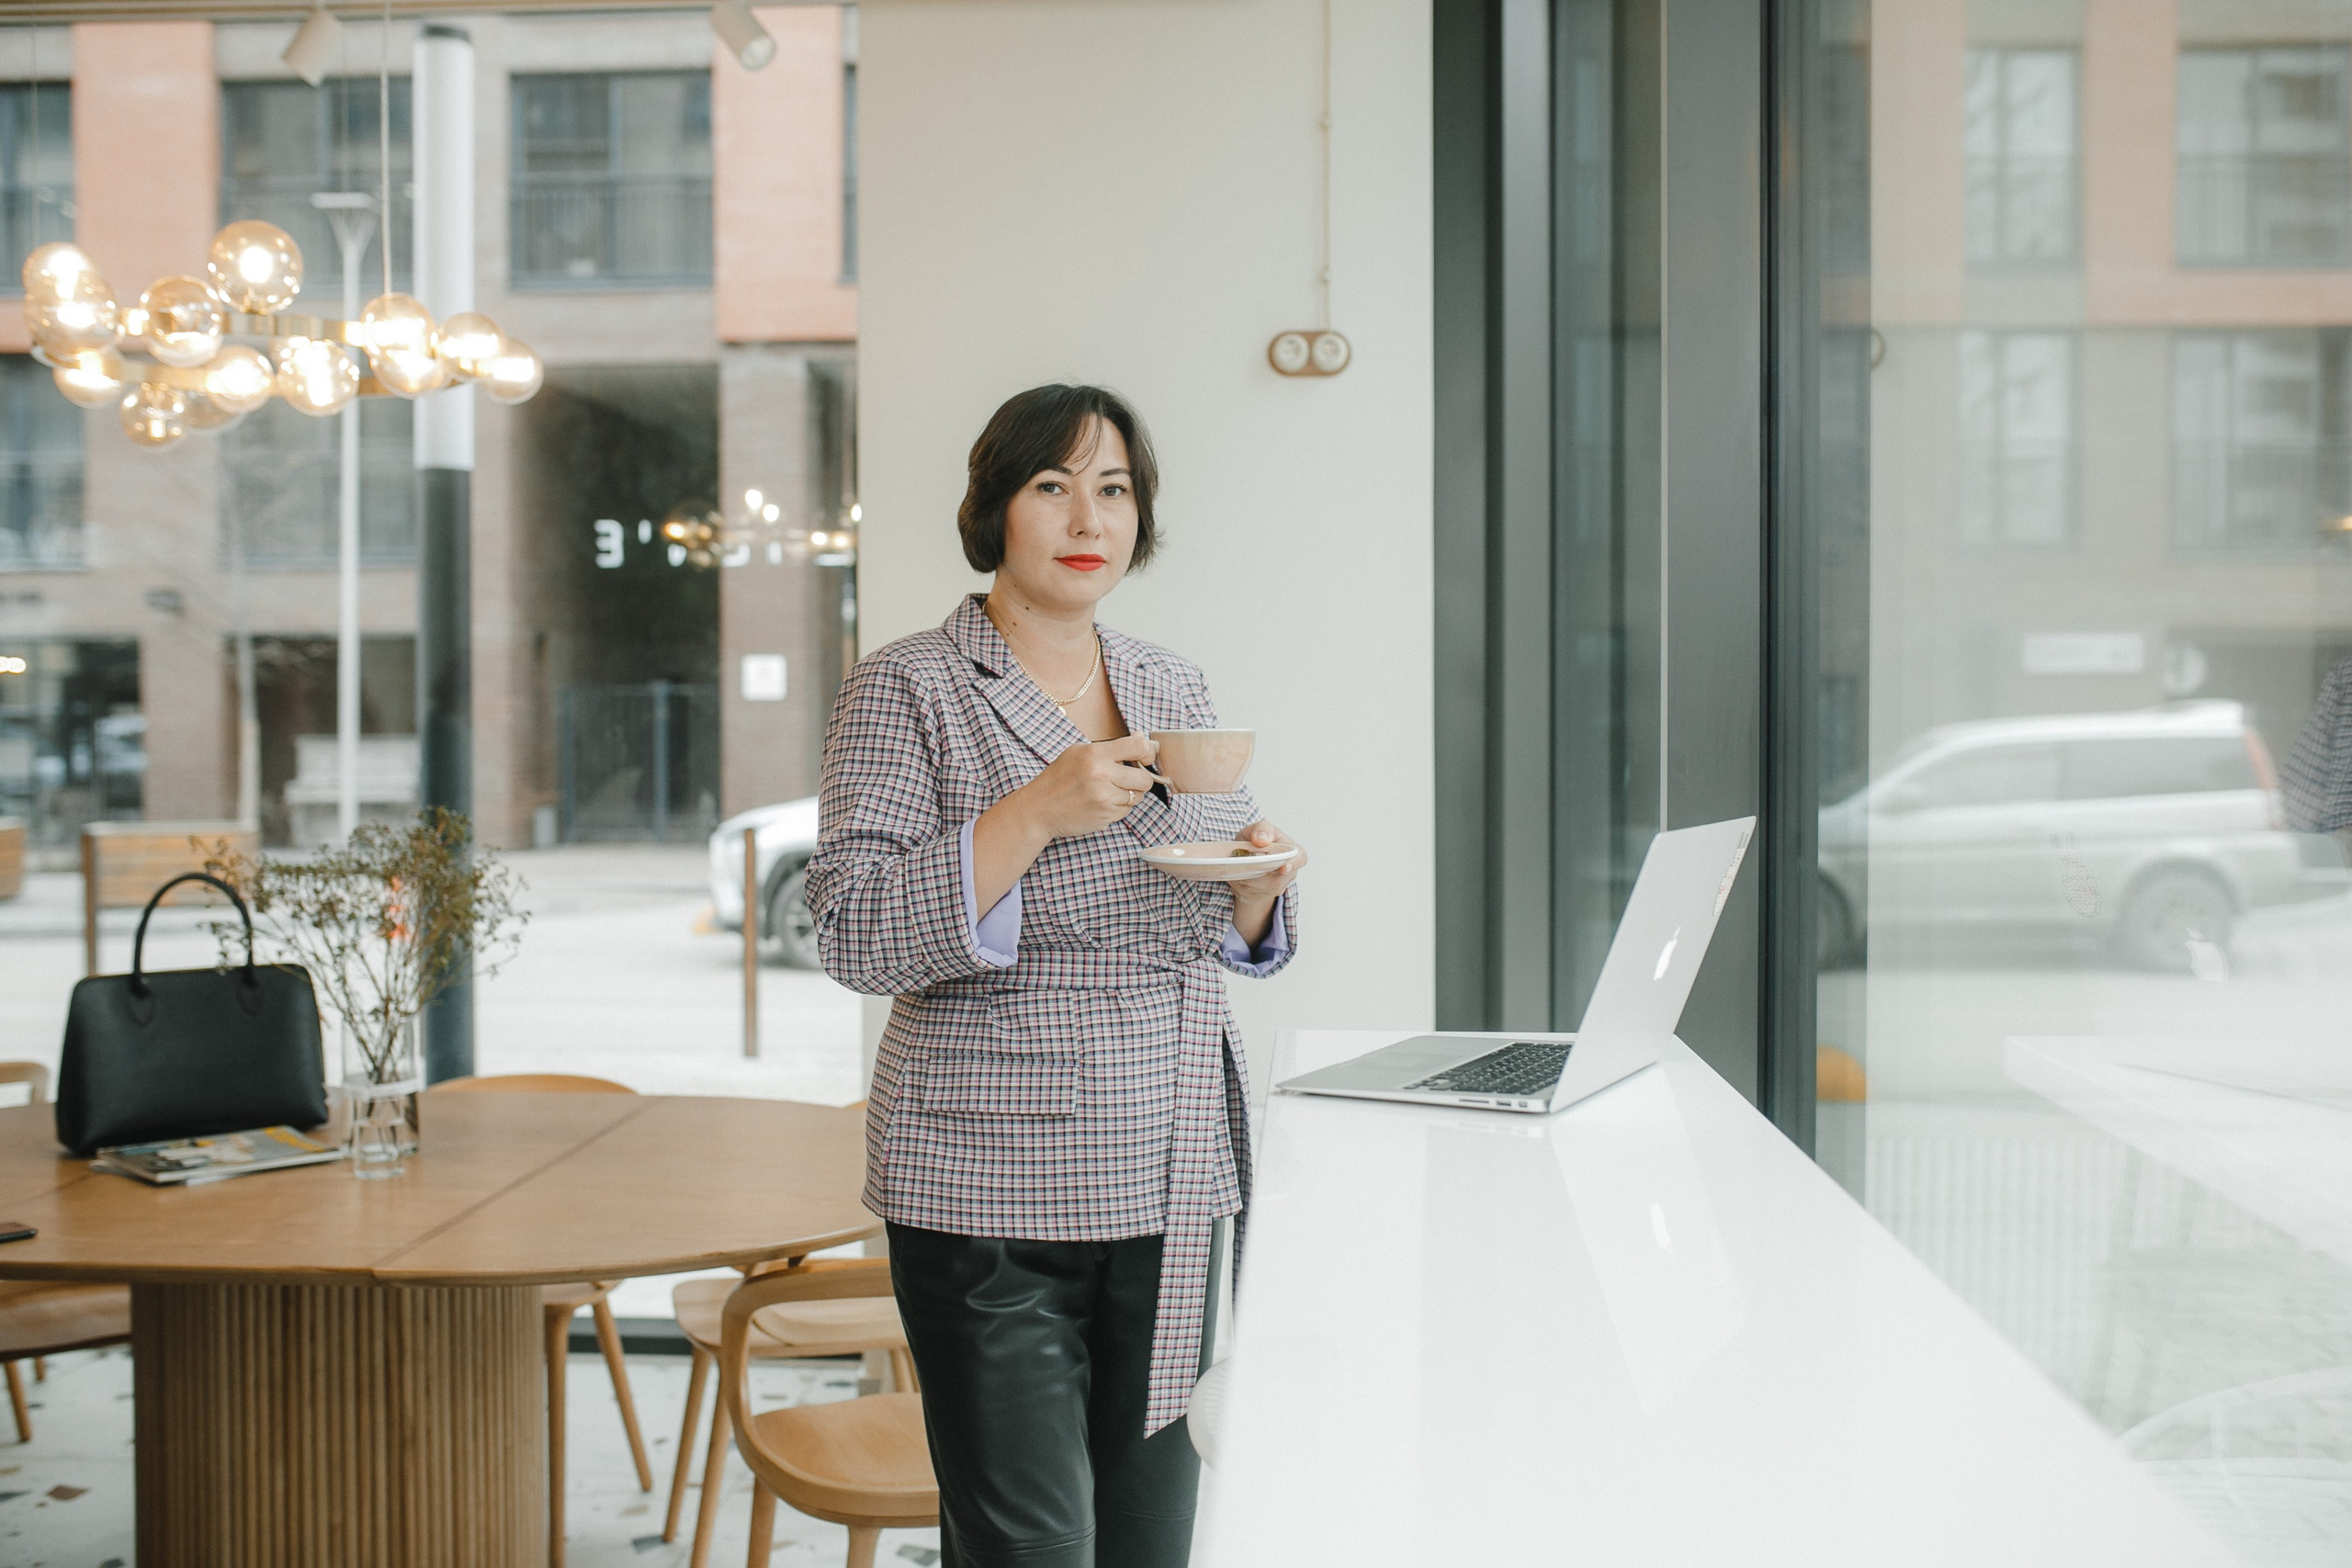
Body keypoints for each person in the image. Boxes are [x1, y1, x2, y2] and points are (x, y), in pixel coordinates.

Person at [804, 383, 1305, 1567]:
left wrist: (1255, 895)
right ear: (996, 509)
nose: (1090, 515)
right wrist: (1031, 813)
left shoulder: (1170, 682)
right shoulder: (909, 685)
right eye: (1053, 485)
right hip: (991, 1190)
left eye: (1115, 489)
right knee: (1031, 1551)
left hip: (1177, 1165)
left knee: (1149, 1543)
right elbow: (855, 931)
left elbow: (1195, 913)